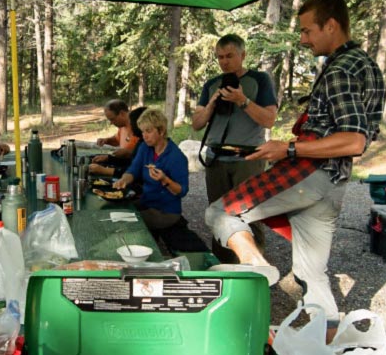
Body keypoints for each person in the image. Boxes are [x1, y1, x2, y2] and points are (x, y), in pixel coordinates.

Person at [204, 0, 386, 334]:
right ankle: (330, 346)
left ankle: (256, 265)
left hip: (310, 173)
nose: (302, 40)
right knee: (311, 273)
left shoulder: (341, 71)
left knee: (220, 212)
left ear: (331, 25)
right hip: (335, 181)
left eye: (307, 31)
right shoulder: (365, 64)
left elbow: (354, 140)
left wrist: (287, 150)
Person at [191, 34, 279, 261]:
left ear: (243, 55)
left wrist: (243, 100)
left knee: (249, 215)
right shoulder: (212, 84)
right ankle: (223, 266)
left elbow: (269, 119)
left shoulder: (259, 80)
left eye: (229, 56)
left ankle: (254, 268)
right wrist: (211, 104)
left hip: (247, 159)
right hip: (216, 159)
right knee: (218, 216)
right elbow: (197, 124)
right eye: (220, 57)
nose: (224, 62)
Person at [113, 108, 192, 242]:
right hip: (147, 202)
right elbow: (133, 170)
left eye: (148, 131)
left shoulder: (176, 157)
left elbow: (181, 191)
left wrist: (164, 179)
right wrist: (124, 180)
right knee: (116, 212)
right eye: (143, 131)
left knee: (125, 223)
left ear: (161, 131)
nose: (144, 136)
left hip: (165, 212)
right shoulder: (145, 148)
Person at [90, 103, 143, 176]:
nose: (111, 123)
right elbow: (117, 140)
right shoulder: (122, 127)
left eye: (112, 119)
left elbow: (137, 169)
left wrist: (105, 171)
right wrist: (108, 157)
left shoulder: (141, 135)